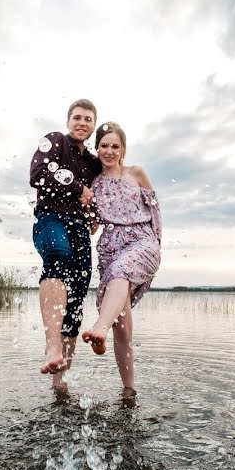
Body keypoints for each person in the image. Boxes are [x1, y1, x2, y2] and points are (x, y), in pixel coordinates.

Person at [81, 122, 162, 399]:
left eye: (115, 146)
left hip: (142, 243)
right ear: (97, 148)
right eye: (104, 145)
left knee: (121, 270)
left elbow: (156, 213)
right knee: (123, 327)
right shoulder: (94, 184)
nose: (109, 151)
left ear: (123, 149)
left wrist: (156, 246)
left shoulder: (136, 173)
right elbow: (93, 227)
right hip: (110, 249)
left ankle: (98, 327)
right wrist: (85, 207)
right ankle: (129, 391)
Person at [30, 99, 102, 391]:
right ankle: (51, 346)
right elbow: (38, 175)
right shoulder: (54, 141)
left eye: (88, 119)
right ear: (68, 120)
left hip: (80, 230)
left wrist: (94, 215)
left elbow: (97, 195)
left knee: (76, 299)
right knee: (57, 257)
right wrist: (78, 188)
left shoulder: (95, 163)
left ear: (93, 125)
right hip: (50, 219)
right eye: (77, 117)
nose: (82, 123)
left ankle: (61, 380)